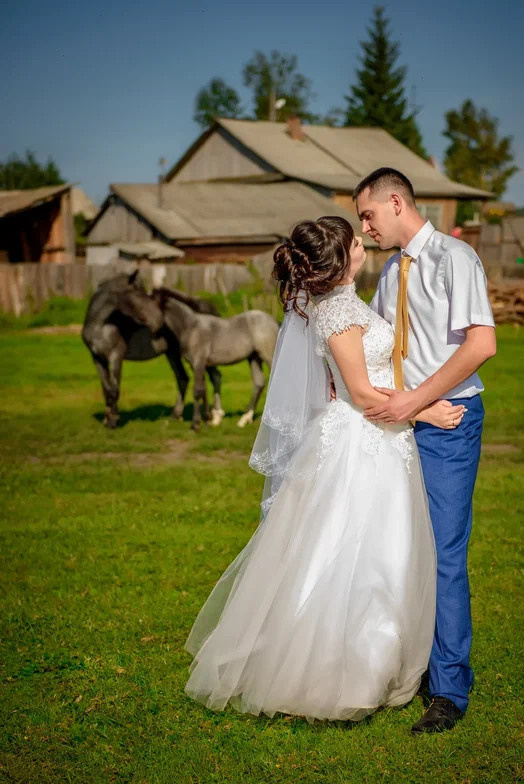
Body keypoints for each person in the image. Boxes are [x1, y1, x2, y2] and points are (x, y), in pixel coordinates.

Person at [183, 216, 467, 728]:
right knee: (353, 554)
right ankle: (337, 676)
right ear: (342, 258)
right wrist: (426, 411)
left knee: (383, 554)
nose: (364, 242)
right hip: (361, 442)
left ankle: (376, 662)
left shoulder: (342, 302)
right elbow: (359, 393)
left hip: (380, 439)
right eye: (356, 241)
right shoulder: (337, 309)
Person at [354, 168, 496, 734]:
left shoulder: (455, 258)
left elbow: (482, 344)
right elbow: (381, 350)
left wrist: (417, 401)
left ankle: (449, 688)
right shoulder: (391, 272)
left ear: (396, 201)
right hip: (406, 425)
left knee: (442, 553)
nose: (364, 229)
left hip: (449, 425)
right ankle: (405, 665)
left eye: (368, 215)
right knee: (399, 548)